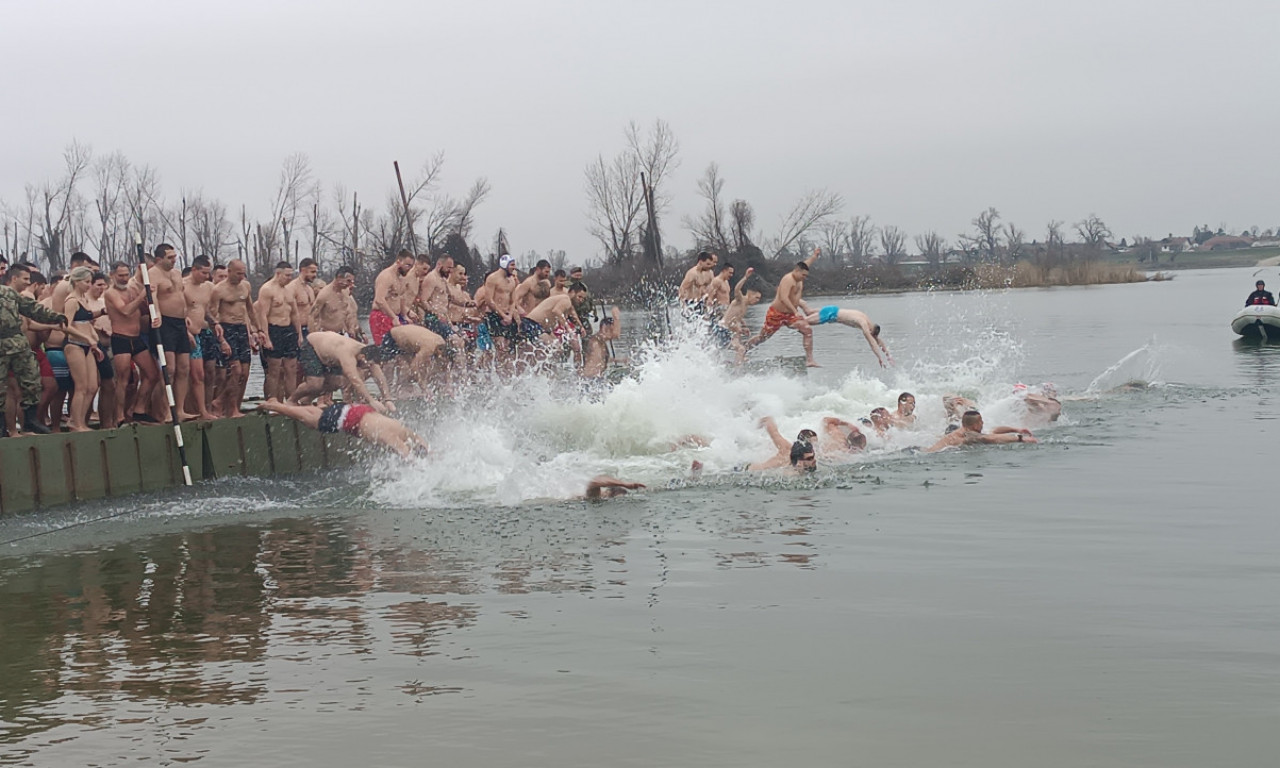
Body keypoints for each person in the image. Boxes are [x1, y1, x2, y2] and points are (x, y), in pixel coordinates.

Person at [0, 263, 67, 436]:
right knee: (2, 388)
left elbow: (30, 308)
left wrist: (54, 317)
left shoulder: (8, 293)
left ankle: (30, 420)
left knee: (32, 382)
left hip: (17, 342)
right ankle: (2, 426)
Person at [258, 400, 429, 459]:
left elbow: (420, 440)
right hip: (347, 420)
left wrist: (430, 452)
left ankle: (279, 406)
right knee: (310, 421)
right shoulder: (392, 437)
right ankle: (273, 406)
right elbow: (406, 454)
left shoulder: (403, 430)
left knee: (317, 413)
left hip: (355, 409)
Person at [745, 248, 822, 367]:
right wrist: (795, 311)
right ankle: (743, 350)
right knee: (762, 337)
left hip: (790, 315)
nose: (804, 278)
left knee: (807, 330)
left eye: (806, 276)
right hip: (776, 313)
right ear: (796, 271)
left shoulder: (799, 276)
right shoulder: (788, 279)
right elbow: (783, 298)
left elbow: (805, 264)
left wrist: (814, 256)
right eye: (803, 275)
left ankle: (810, 359)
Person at [290, 330, 392, 411]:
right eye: (367, 365)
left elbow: (380, 377)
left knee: (338, 382)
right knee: (315, 383)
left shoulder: (368, 353)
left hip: (329, 355)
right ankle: (292, 400)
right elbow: (355, 380)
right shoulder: (348, 355)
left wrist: (387, 399)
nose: (367, 367)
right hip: (312, 346)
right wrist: (371, 401)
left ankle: (306, 400)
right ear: (362, 357)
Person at [210, 259, 260, 417]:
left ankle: (226, 405)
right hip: (227, 329)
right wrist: (221, 340)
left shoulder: (245, 286)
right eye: (238, 273)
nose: (241, 277)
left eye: (243, 273)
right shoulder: (219, 290)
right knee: (235, 371)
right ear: (229, 271)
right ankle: (223, 405)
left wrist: (257, 330)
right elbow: (212, 315)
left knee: (244, 373)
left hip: (242, 329)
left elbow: (250, 310)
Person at [149, 243, 194, 422]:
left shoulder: (176, 273)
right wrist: (157, 314)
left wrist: (186, 316)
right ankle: (166, 411)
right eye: (170, 257)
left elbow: (180, 295)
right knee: (170, 369)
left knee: (184, 368)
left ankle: (180, 409)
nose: (174, 260)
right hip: (165, 323)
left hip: (180, 323)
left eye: (175, 257)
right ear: (159, 259)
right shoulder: (153, 274)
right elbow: (152, 296)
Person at [61, 267, 105, 432]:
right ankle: (75, 422)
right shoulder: (72, 300)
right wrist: (85, 337)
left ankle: (79, 419)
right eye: (86, 282)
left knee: (92, 386)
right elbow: (65, 325)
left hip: (88, 345)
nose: (89, 285)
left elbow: (87, 321)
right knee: (81, 386)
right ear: (77, 282)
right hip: (74, 344)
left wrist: (93, 341)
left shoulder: (83, 299)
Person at [183, 255, 223, 420]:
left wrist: (215, 323)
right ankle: (182, 410)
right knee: (182, 374)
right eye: (203, 273)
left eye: (208, 273)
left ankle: (203, 411)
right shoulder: (182, 286)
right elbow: (176, 311)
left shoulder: (208, 287)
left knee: (199, 375)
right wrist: (185, 332)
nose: (207, 276)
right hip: (182, 334)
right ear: (194, 269)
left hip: (198, 335)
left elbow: (203, 310)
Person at [257, 261, 302, 402]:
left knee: (291, 368)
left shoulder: (289, 290)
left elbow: (295, 314)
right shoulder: (267, 289)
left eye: (291, 275)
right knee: (274, 370)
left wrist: (299, 334)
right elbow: (262, 315)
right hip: (274, 329)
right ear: (278, 273)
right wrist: (266, 337)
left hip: (288, 330)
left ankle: (291, 401)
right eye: (287, 275)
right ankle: (272, 401)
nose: (289, 278)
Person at [803, 306, 893, 368]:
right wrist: (880, 358)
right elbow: (872, 342)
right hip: (831, 315)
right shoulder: (863, 323)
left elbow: (877, 340)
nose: (870, 335)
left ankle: (796, 297)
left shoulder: (868, 320)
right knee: (802, 323)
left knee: (808, 311)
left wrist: (888, 355)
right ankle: (810, 360)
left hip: (833, 309)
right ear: (871, 331)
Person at [925, 410, 1037, 452]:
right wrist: (1021, 439)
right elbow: (988, 438)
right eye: (981, 421)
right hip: (929, 454)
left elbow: (993, 431)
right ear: (975, 425)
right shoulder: (967, 435)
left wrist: (1016, 429)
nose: (983, 423)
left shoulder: (965, 429)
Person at [739, 416, 818, 473]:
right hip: (745, 470)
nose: (815, 447)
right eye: (810, 458)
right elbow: (774, 431)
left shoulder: (811, 453)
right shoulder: (784, 458)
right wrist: (755, 425)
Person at [370, 250, 415, 345]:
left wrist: (404, 315)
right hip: (381, 316)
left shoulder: (402, 278)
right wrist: (393, 317)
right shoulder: (386, 276)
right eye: (407, 265)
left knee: (405, 346)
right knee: (385, 348)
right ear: (399, 262)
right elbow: (379, 300)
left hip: (396, 316)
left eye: (411, 266)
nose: (409, 269)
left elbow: (401, 297)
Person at [483, 255, 521, 356]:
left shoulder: (512, 280)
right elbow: (489, 300)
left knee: (510, 347)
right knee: (500, 346)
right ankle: (493, 365)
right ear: (505, 265)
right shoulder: (492, 278)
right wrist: (503, 315)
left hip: (508, 316)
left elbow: (513, 301)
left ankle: (506, 366)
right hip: (494, 315)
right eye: (512, 265)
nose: (514, 267)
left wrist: (510, 316)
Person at [310, 266, 356, 334]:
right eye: (348, 281)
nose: (350, 284)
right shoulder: (324, 294)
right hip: (328, 334)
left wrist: (353, 329)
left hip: (343, 333)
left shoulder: (346, 291)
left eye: (351, 281)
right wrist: (314, 335)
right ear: (339, 277)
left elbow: (350, 312)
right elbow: (311, 316)